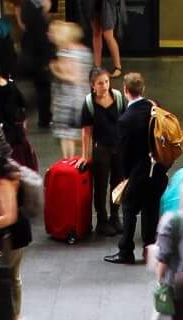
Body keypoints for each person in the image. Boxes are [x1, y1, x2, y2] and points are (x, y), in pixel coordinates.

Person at [109, 73, 167, 265]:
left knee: (129, 209)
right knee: (151, 209)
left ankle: (126, 250)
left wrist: (126, 176)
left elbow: (123, 153)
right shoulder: (154, 109)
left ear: (126, 91)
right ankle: (150, 250)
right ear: (142, 89)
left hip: (138, 172)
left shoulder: (125, 120)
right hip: (157, 170)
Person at [80, 69, 123, 238]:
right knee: (101, 185)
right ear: (92, 85)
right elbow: (86, 131)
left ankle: (115, 216)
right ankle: (102, 220)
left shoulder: (118, 97)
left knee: (118, 184)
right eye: (100, 83)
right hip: (101, 149)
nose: (104, 86)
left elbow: (125, 121)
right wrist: (85, 155)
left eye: (106, 81)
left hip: (119, 147)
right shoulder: (89, 103)